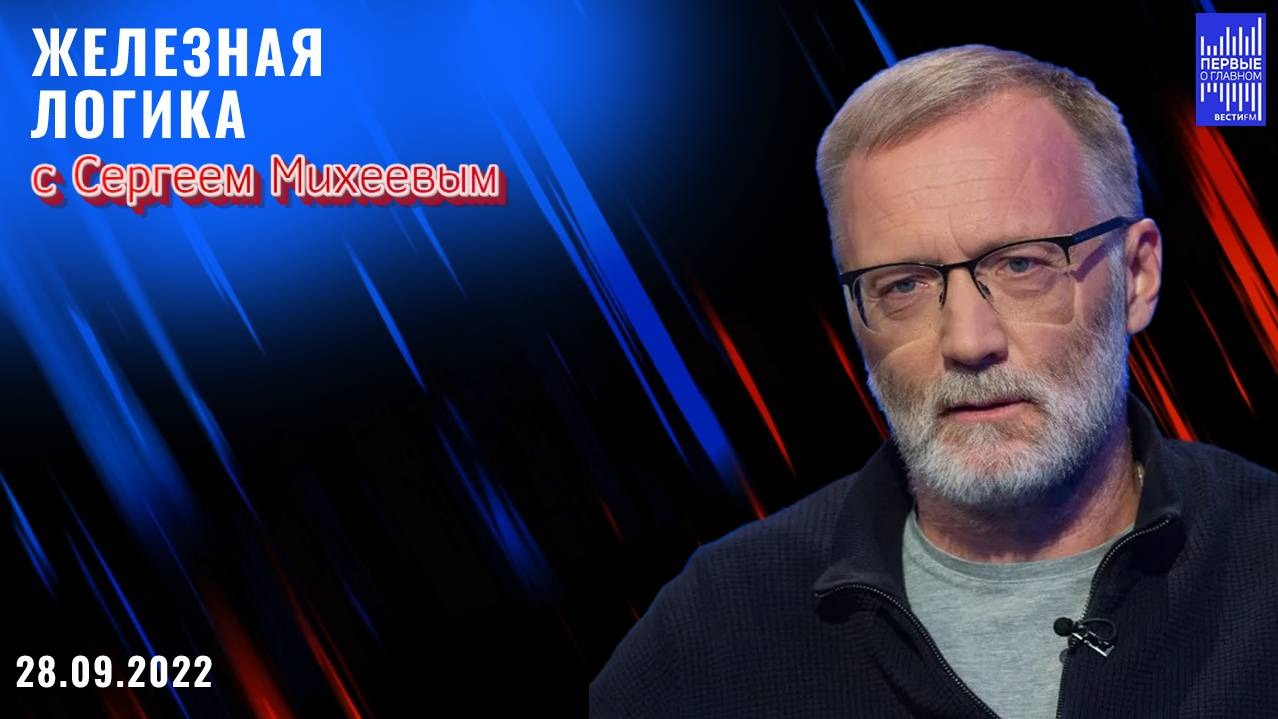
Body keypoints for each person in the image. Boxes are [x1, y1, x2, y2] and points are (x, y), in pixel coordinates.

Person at [589, 44, 1278, 718]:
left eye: (1021, 265)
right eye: (904, 285)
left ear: (1137, 276)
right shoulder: (718, 627)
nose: (969, 342)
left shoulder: (1265, 560)